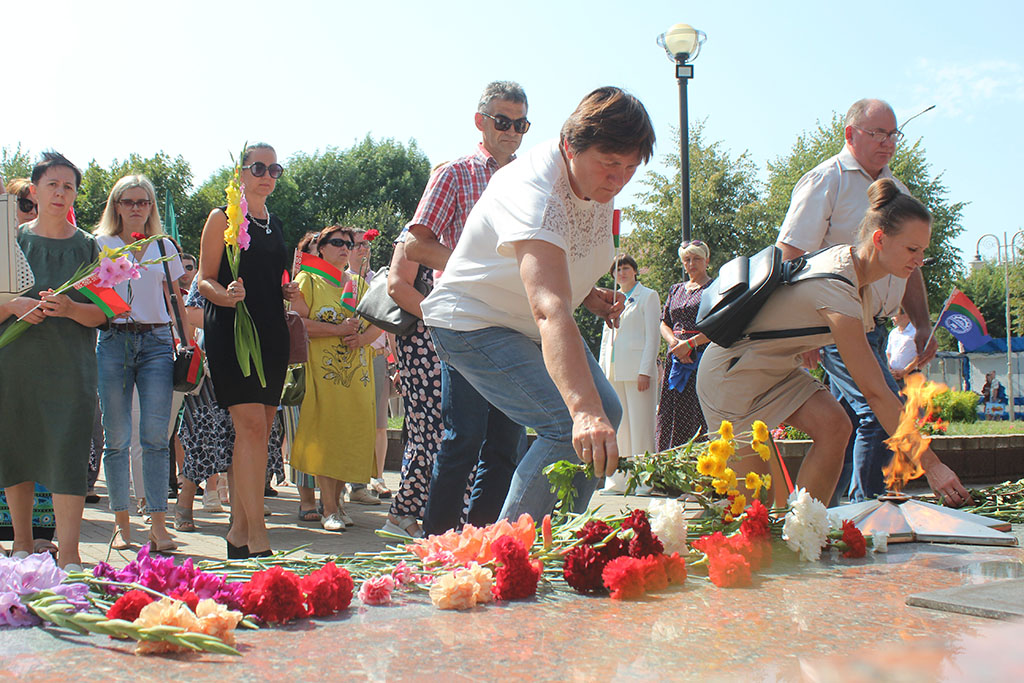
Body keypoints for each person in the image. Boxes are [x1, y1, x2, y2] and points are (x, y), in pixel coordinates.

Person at [421, 86, 656, 520]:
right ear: (570, 146)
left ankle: (560, 537)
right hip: (473, 321)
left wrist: (589, 295)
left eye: (630, 167)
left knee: (609, 411)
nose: (619, 178)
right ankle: (509, 556)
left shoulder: (597, 183)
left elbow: (559, 261)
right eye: (609, 164)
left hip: (525, 321)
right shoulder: (534, 187)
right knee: (571, 425)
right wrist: (583, 410)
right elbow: (548, 305)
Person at [699, 179, 971, 507]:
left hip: (774, 371)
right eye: (912, 249)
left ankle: (803, 527)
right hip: (732, 379)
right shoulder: (840, 286)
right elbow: (875, 393)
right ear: (880, 239)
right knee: (757, 514)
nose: (919, 261)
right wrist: (934, 466)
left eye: (923, 251)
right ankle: (792, 530)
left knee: (835, 426)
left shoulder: (856, 277)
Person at [776, 98, 937, 503]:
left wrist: (921, 323)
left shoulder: (897, 191)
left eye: (893, 134)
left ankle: (823, 515)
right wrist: (805, 333)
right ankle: (867, 511)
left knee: (844, 421)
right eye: (877, 133)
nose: (888, 142)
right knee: (878, 413)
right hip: (835, 324)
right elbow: (791, 256)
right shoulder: (826, 179)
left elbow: (910, 262)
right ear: (850, 134)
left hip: (877, 325)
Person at [405, 80, 530, 535]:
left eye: (521, 123)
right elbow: (417, 246)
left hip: (516, 326)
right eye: (503, 121)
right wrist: (475, 269)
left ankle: (478, 546)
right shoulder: (455, 173)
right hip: (466, 323)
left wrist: (590, 296)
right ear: (480, 122)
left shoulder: (532, 182)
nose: (512, 131)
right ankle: (437, 548)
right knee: (463, 440)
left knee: (503, 447)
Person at [0, 152, 108, 569]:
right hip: (16, 365)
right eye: (52, 185)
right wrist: (15, 307)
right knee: (17, 447)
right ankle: (22, 543)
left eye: (68, 187)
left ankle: (70, 553)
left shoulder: (88, 247)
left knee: (67, 451)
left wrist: (69, 309)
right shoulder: (10, 244)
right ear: (34, 191)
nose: (60, 193)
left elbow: (103, 313)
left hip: (70, 367)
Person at [198, 142, 296, 558]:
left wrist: (288, 289)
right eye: (259, 167)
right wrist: (225, 295)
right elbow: (203, 280)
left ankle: (238, 530)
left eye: (275, 169)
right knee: (251, 426)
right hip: (234, 328)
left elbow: (275, 276)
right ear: (241, 172)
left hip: (272, 331)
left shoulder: (277, 225)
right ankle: (258, 533)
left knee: (263, 429)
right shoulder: (222, 217)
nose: (267, 175)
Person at [94, 174, 188, 553]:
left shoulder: (163, 245)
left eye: (143, 202)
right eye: (128, 202)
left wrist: (188, 339)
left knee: (154, 436)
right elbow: (93, 294)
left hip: (157, 341)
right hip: (114, 338)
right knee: (116, 438)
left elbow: (176, 297)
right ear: (116, 206)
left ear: (151, 208)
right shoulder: (100, 244)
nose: (136, 208)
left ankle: (158, 524)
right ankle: (121, 522)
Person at [290, 226, 380, 531]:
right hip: (322, 374)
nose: (345, 248)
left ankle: (339, 502)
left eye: (349, 243)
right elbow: (298, 322)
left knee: (347, 438)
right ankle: (328, 508)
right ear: (321, 248)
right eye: (337, 243)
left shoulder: (357, 283)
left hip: (357, 376)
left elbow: (380, 320)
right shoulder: (308, 279)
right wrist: (337, 331)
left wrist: (364, 338)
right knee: (326, 438)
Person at [383, 239, 442, 538]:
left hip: (447, 341)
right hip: (423, 343)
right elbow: (396, 287)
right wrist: (439, 315)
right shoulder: (413, 236)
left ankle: (407, 513)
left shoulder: (461, 232)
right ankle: (403, 513)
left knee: (436, 433)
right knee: (430, 432)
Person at [597, 254, 660, 493]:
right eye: (617, 270)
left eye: (625, 268)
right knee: (620, 428)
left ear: (634, 271)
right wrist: (603, 373)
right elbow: (606, 340)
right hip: (614, 372)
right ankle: (618, 480)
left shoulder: (648, 296)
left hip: (637, 373)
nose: (621, 273)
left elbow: (652, 337)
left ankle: (645, 480)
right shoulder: (610, 301)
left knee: (641, 428)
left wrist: (645, 370)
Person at [655, 240, 714, 451]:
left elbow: (720, 324)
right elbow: (664, 322)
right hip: (675, 358)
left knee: (698, 410)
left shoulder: (714, 288)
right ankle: (670, 464)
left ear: (706, 260)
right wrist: (674, 343)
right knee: (672, 410)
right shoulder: (676, 289)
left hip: (702, 357)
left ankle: (701, 465)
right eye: (687, 260)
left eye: (697, 258)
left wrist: (689, 344)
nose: (691, 264)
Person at [345, 228, 390, 505]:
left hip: (375, 356)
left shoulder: (381, 279)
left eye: (366, 245)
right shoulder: (340, 280)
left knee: (376, 424)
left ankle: (370, 479)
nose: (363, 249)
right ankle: (347, 482)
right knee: (348, 421)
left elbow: (387, 321)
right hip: (347, 356)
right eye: (356, 245)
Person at [885, 308, 917, 385]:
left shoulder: (916, 332)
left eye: (895, 315)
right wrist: (891, 370)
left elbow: (920, 356)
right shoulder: (893, 333)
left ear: (905, 315)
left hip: (911, 376)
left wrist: (905, 371)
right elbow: (888, 353)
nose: (892, 318)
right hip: (893, 376)